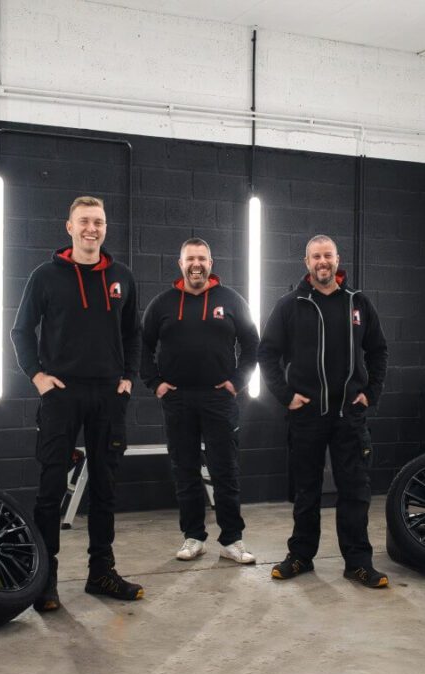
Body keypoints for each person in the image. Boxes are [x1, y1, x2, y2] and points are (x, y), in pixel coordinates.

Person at [10, 196, 142, 610]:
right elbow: (20, 331)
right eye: (84, 221)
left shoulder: (122, 277)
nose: (91, 228)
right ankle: (44, 579)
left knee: (105, 488)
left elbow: (133, 333)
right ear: (69, 227)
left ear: (105, 228)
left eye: (98, 222)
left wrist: (128, 378)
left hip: (108, 396)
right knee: (51, 489)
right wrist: (37, 377)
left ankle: (101, 572)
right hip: (61, 395)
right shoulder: (45, 276)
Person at [256, 234, 390, 588]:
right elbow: (267, 353)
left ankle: (358, 563)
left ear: (337, 259)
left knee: (355, 492)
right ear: (307, 262)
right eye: (315, 256)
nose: (322, 262)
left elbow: (378, 350)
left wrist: (371, 394)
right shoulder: (291, 304)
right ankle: (301, 556)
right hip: (306, 416)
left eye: (327, 255)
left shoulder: (357, 302)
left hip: (350, 416)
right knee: (306, 491)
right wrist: (286, 396)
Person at [140, 238, 260, 564]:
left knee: (225, 471)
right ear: (181, 264)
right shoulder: (162, 304)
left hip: (219, 399)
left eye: (202, 259)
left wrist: (237, 382)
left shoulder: (231, 300)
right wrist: (155, 383)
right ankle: (193, 537)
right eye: (190, 259)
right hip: (177, 400)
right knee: (186, 471)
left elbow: (252, 346)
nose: (196, 264)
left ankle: (232, 540)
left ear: (210, 263)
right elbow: (142, 347)